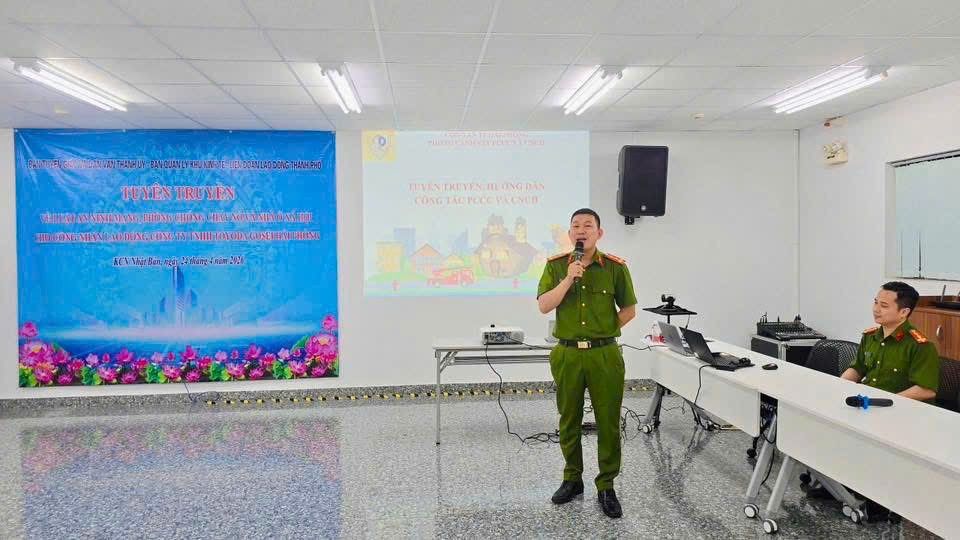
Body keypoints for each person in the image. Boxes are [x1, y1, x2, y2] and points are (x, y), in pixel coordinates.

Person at [537, 208, 637, 518]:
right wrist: (569, 278)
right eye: (576, 226)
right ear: (570, 234)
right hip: (567, 354)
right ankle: (572, 479)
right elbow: (544, 305)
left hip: (604, 354)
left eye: (588, 225)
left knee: (608, 421)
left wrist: (603, 330)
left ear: (599, 233)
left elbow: (629, 310)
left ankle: (606, 485)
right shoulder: (556, 266)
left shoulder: (615, 268)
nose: (581, 230)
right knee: (569, 418)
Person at [823, 281, 940, 521]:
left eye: (884, 305)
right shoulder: (870, 337)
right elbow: (858, 367)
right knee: (830, 426)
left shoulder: (920, 345)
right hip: (869, 405)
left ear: (904, 312)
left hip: (900, 413)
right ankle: (835, 485)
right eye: (876, 302)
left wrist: (886, 403)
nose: (876, 309)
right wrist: (837, 387)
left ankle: (879, 500)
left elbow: (926, 390)